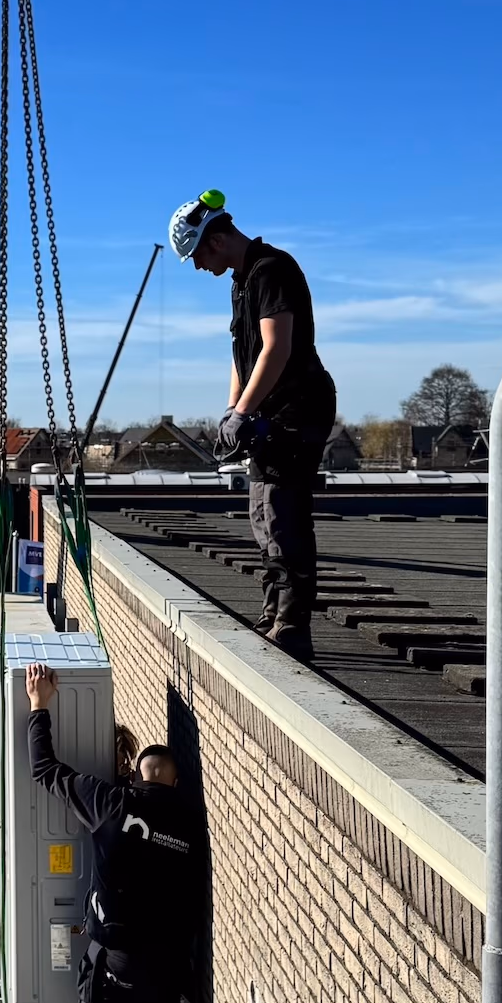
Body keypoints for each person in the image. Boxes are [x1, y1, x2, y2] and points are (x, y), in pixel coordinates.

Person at [24, 663, 205, 1003]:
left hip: (113, 967)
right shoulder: (192, 826)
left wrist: (39, 705)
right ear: (174, 780)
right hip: (165, 969)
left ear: (138, 776)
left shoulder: (112, 804)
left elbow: (44, 769)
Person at [169, 188, 337, 662]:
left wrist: (244, 411)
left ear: (215, 240)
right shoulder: (241, 281)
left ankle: (292, 625)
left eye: (198, 255)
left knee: (284, 513)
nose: (199, 266)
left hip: (297, 409)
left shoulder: (272, 271)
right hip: (268, 410)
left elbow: (276, 348)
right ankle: (273, 613)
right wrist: (233, 410)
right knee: (262, 512)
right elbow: (241, 354)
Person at [0, 722, 138, 995]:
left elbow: (45, 768)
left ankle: (55, 986)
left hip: (98, 883)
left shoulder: (118, 796)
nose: (121, 764)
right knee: (29, 908)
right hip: (74, 866)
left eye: (122, 758)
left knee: (63, 932)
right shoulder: (96, 790)